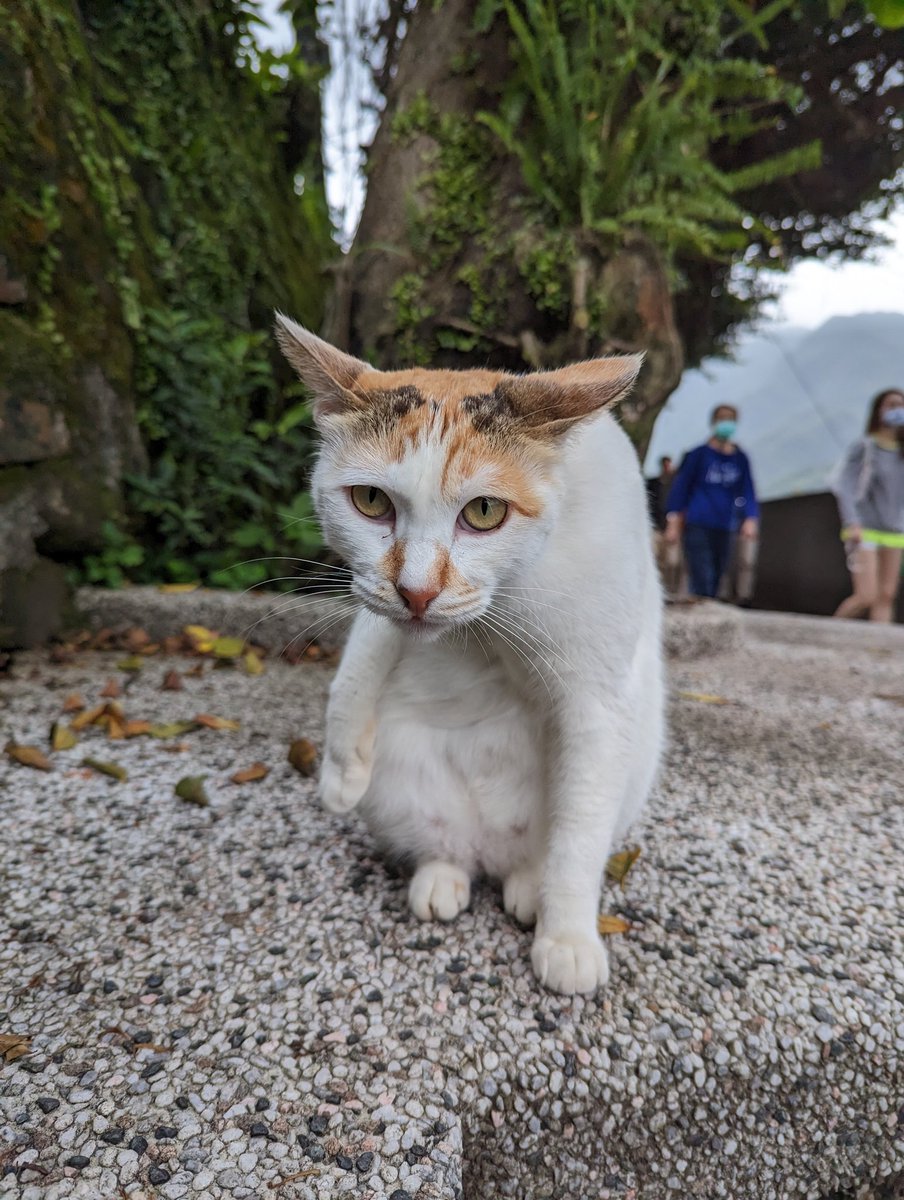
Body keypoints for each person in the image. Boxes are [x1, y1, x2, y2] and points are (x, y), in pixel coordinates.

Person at [664, 404, 759, 599]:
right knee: (702, 575)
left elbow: (747, 490)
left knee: (718, 574)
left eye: (731, 419)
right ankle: (701, 615)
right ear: (714, 423)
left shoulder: (740, 459)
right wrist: (673, 521)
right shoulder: (698, 455)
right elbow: (681, 489)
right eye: (723, 419)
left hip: (726, 524)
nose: (727, 424)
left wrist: (751, 518)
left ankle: (706, 611)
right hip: (698, 523)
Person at [832, 388, 904, 623]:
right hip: (865, 528)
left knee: (886, 595)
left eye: (901, 405)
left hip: (895, 530)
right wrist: (852, 522)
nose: (897, 410)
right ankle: (828, 632)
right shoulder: (864, 448)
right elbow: (844, 486)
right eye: (891, 405)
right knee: (866, 595)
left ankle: (879, 651)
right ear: (878, 410)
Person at [646, 455, 674, 531]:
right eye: (665, 465)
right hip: (654, 519)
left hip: (667, 521)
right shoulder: (652, 483)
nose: (667, 468)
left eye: (668, 465)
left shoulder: (674, 485)